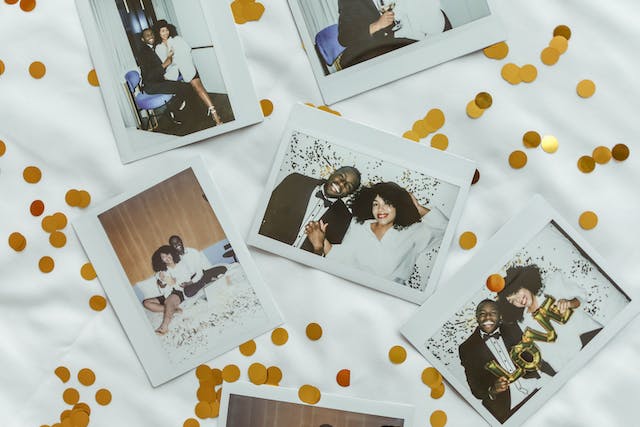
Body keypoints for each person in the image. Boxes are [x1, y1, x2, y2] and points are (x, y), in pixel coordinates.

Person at [305, 182, 446, 285]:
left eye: (388, 203)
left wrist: (418, 208)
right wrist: (321, 241)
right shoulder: (357, 225)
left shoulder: (413, 231)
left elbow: (445, 230)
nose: (380, 209)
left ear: (398, 205)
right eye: (375, 204)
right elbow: (342, 258)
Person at [459, 299, 555, 423]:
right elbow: (475, 387)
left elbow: (533, 355)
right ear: (477, 318)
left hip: (536, 389)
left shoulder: (512, 327)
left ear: (499, 316)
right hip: (507, 408)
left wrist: (553, 375)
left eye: (492, 313)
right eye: (482, 313)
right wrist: (493, 389)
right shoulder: (467, 348)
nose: (488, 317)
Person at [496, 265, 603, 372]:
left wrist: (569, 303)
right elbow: (547, 351)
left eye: (515, 293)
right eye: (512, 301)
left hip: (591, 336)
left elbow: (581, 297)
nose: (518, 300)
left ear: (523, 283)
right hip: (571, 362)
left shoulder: (552, 284)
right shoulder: (524, 322)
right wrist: (562, 370)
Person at [258, 166, 362, 253]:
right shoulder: (295, 181)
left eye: (348, 186)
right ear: (333, 172)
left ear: (349, 193)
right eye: (341, 176)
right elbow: (262, 212)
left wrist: (319, 246)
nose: (341, 183)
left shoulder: (344, 218)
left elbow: (327, 258)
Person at [153, 20, 222, 125]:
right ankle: (181, 110)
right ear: (158, 33)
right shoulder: (158, 48)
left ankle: (215, 114)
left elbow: (187, 50)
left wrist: (173, 57)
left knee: (198, 88)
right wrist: (169, 56)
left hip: (187, 67)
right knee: (177, 89)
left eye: (166, 30)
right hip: (172, 73)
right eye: (162, 31)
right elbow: (164, 64)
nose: (165, 33)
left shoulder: (177, 39)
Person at [337, 0, 417, 68]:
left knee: (416, 47)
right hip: (365, 54)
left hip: (384, 43)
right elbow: (344, 38)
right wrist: (377, 25)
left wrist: (388, 22)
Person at [136, 28, 193, 124]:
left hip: (159, 80)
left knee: (184, 86)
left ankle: (174, 111)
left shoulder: (153, 48)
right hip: (151, 86)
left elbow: (163, 64)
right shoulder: (143, 53)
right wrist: (165, 64)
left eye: (151, 34)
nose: (151, 36)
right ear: (142, 39)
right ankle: (172, 112)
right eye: (147, 35)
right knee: (185, 87)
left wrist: (169, 58)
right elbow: (149, 75)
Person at [143, 245, 192, 335]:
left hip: (179, 292)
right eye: (163, 257)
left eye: (167, 254)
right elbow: (162, 288)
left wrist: (183, 283)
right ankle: (174, 310)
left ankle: (164, 327)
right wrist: (162, 283)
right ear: (161, 260)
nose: (167, 258)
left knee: (169, 302)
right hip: (167, 294)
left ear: (172, 254)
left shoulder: (182, 265)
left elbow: (190, 282)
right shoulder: (161, 272)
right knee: (146, 303)